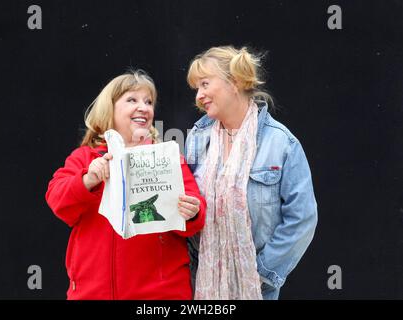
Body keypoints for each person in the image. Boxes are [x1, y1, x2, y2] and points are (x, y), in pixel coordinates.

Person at [45, 70, 206, 299]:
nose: (144, 107)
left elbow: (195, 214)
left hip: (160, 297)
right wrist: (89, 179)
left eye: (148, 102)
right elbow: (57, 200)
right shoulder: (84, 158)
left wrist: (192, 211)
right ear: (109, 109)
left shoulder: (167, 159)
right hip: (91, 294)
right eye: (132, 100)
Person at [184, 46, 318, 300]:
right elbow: (187, 207)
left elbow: (302, 218)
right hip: (201, 284)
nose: (199, 95)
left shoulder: (281, 143)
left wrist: (262, 273)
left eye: (204, 84)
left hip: (257, 289)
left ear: (234, 81)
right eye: (196, 89)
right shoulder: (197, 138)